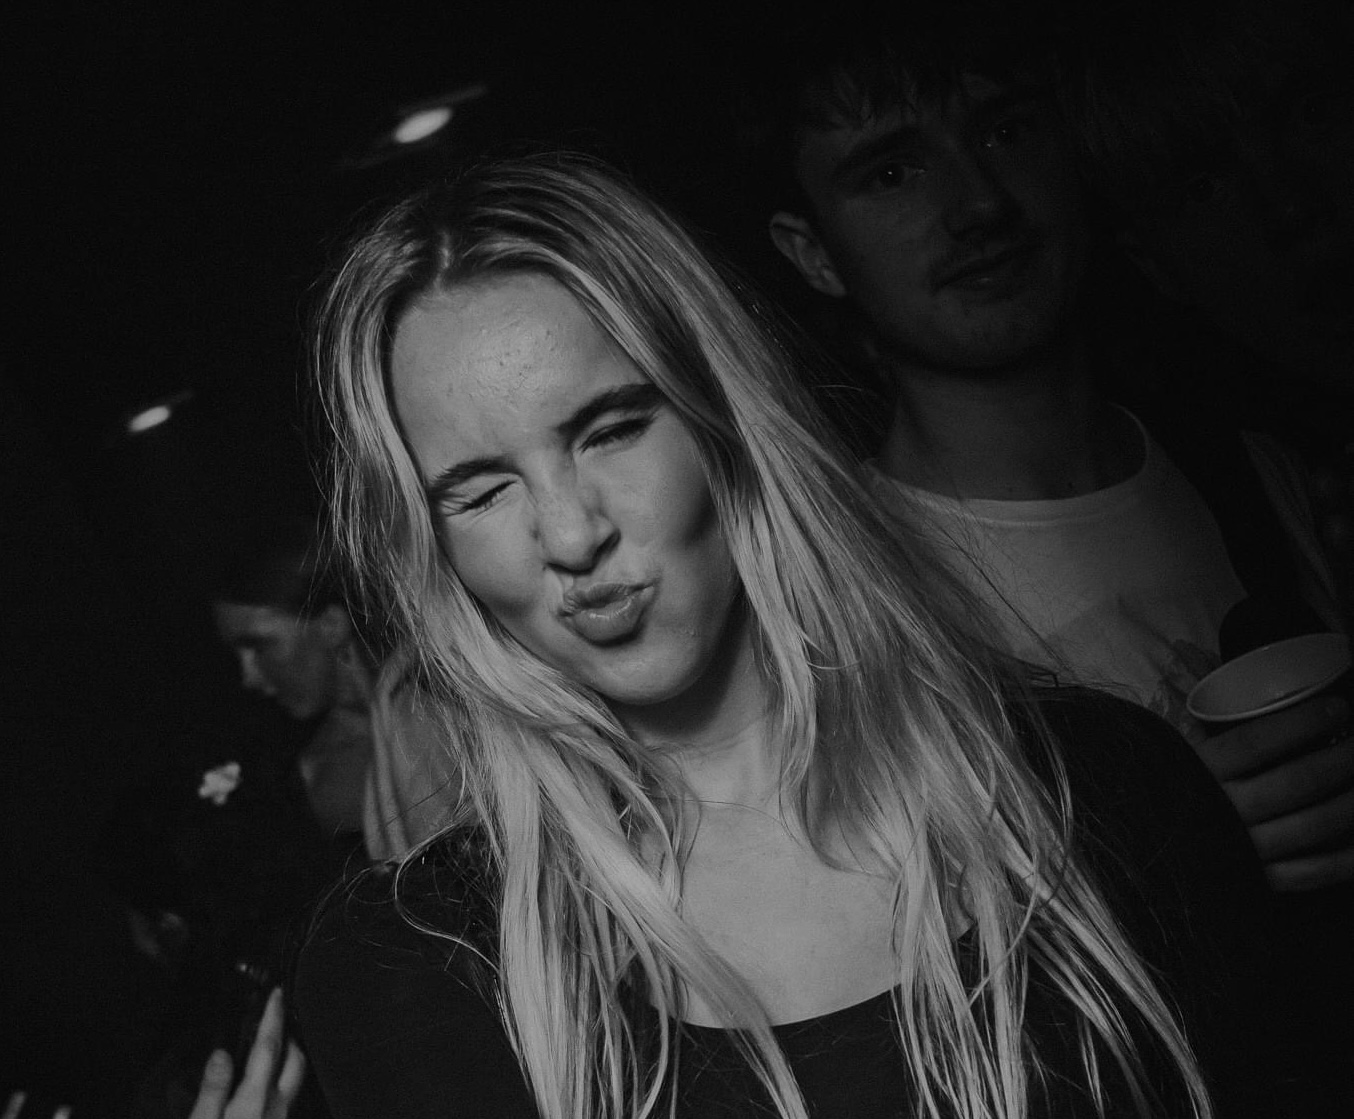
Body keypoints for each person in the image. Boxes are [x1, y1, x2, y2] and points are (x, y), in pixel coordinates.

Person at [292, 150, 1296, 1118]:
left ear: (725, 419)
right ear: (431, 548)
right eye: (479, 491)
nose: (569, 534)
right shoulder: (419, 966)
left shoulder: (1101, 792)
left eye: (611, 430)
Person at [734, 0, 1352, 897]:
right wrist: (1165, 856)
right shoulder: (839, 599)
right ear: (812, 254)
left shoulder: (1258, 472)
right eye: (894, 173)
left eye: (1006, 131)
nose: (979, 203)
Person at [211, 513, 453, 859]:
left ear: (332, 624)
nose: (248, 677)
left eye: (260, 646)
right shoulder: (310, 770)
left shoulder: (442, 707)